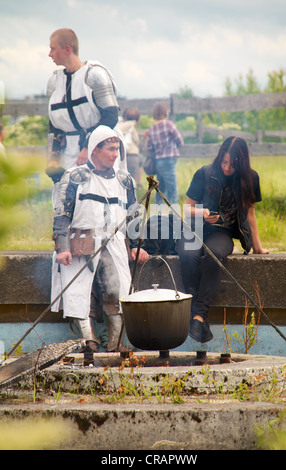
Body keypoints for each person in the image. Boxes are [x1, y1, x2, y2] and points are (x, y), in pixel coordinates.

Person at [50, 125, 149, 353]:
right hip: (80, 241)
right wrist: (63, 247)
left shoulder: (125, 180)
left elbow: (134, 216)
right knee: (79, 290)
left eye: (117, 149)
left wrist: (135, 246)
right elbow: (63, 214)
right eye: (111, 149)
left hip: (114, 241)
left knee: (119, 288)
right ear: (95, 149)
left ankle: (114, 344)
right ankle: (89, 341)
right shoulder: (75, 177)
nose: (116, 154)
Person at [177, 136, 269, 344]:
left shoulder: (250, 179)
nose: (227, 168)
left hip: (223, 234)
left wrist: (257, 247)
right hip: (196, 228)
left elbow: (251, 215)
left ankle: (199, 315)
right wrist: (202, 213)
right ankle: (197, 317)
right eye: (224, 162)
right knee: (186, 254)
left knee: (215, 255)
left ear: (242, 162)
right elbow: (186, 208)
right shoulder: (204, 173)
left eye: (233, 164)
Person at [46, 28, 120, 183]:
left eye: (53, 49)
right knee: (66, 201)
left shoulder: (94, 76)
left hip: (98, 153)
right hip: (68, 154)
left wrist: (89, 147)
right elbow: (55, 125)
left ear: (67, 49)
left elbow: (111, 116)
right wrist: (53, 158)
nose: (50, 54)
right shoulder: (54, 83)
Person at [146, 101, 183, 205]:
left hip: (158, 162)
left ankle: (158, 213)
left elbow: (149, 147)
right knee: (172, 190)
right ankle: (173, 214)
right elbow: (180, 140)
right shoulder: (169, 125)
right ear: (166, 113)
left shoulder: (152, 128)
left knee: (160, 189)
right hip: (169, 160)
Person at [118, 108, 143, 184]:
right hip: (132, 156)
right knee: (131, 183)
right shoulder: (131, 127)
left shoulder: (118, 125)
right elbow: (137, 141)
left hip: (121, 156)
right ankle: (138, 184)